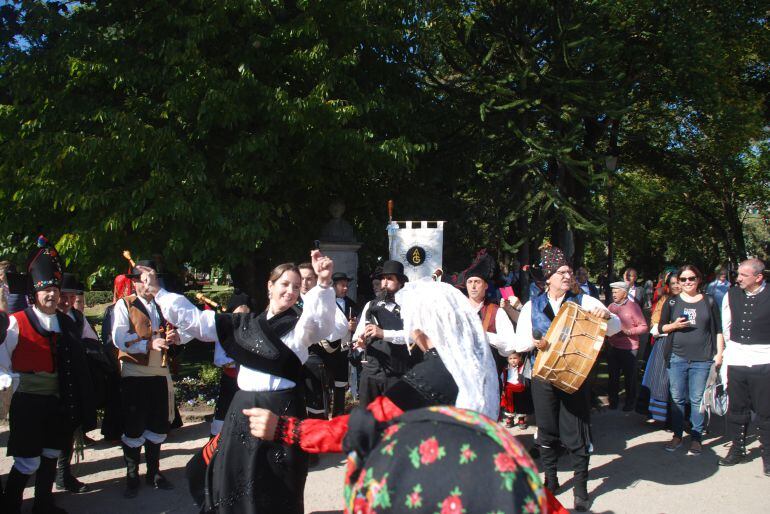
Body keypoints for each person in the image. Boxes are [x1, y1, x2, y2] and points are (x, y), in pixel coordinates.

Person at [142, 250, 341, 513]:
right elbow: (198, 322)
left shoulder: (300, 326)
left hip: (281, 412)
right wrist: (159, 292)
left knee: (277, 484)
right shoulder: (243, 325)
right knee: (232, 476)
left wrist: (324, 283)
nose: (290, 291)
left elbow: (325, 326)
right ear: (270, 286)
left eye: (296, 286)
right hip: (243, 412)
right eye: (284, 284)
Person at [241, 279, 500, 453]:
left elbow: (362, 426)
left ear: (421, 326)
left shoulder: (433, 374)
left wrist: (288, 429)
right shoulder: (469, 366)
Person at [513, 244, 620, 512]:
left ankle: (581, 488)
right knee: (547, 429)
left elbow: (616, 327)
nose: (566, 275)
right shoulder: (532, 305)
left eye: (568, 271)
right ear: (548, 277)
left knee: (577, 431)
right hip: (543, 376)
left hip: (575, 377)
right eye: (561, 271)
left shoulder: (584, 300)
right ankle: (551, 478)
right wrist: (533, 342)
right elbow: (520, 341)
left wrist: (606, 316)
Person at [0, 236, 96, 514]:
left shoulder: (66, 322)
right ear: (35, 293)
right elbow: (3, 358)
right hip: (28, 400)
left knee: (51, 454)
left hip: (59, 399)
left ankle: (44, 504)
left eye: (55, 289)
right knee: (27, 460)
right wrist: (7, 378)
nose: (52, 295)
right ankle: (10, 506)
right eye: (46, 291)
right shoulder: (17, 322)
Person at [112, 259, 187, 498]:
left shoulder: (163, 305)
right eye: (143, 280)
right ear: (134, 283)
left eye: (151, 279)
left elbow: (183, 329)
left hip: (160, 374)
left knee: (157, 424)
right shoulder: (125, 305)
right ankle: (131, 475)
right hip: (135, 374)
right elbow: (119, 339)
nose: (148, 284)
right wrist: (148, 344)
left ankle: (154, 472)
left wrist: (177, 338)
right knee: (134, 426)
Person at [657, 264, 724, 455]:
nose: (687, 282)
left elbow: (718, 330)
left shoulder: (709, 301)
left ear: (698, 280)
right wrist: (674, 325)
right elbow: (661, 328)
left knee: (697, 399)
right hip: (677, 357)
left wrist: (719, 354)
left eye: (691, 278)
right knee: (677, 398)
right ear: (678, 282)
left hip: (702, 359)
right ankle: (677, 435)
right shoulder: (671, 303)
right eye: (683, 279)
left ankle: (696, 437)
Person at [718, 258, 770, 474]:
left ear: (758, 277)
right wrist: (727, 353)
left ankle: (768, 454)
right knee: (736, 407)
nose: (737, 278)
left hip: (764, 358)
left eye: (743, 275)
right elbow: (726, 326)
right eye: (737, 274)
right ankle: (737, 449)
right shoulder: (732, 295)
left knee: (765, 410)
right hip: (737, 357)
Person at [352, 260, 416, 407]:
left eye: (390, 278)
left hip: (396, 372)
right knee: (367, 417)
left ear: (400, 282)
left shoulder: (409, 306)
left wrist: (383, 333)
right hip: (371, 372)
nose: (385, 282)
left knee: (394, 420)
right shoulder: (370, 305)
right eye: (383, 278)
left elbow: (412, 337)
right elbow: (357, 336)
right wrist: (360, 344)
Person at [209, 292, 252, 436]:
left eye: (246, 314)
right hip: (231, 381)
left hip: (248, 383)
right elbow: (220, 360)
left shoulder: (252, 330)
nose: (242, 318)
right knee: (223, 417)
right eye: (239, 314)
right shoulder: (225, 331)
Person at [641, 271, 681, 423]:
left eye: (679, 282)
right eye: (673, 283)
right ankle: (665, 417)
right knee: (662, 382)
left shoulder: (693, 300)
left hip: (686, 346)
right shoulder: (665, 300)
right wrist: (672, 327)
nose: (677, 285)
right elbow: (655, 326)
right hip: (664, 344)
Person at [607, 281, 648, 411]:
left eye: (616, 291)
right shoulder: (611, 307)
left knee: (629, 377)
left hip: (629, 348)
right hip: (613, 346)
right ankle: (613, 401)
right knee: (613, 376)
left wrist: (629, 332)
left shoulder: (633, 307)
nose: (613, 294)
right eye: (612, 292)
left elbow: (644, 327)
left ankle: (630, 402)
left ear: (624, 293)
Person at [323, 271, 358, 416]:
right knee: (325, 383)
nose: (345, 288)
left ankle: (338, 413)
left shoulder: (351, 304)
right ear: (334, 286)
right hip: (326, 349)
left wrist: (353, 328)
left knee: (341, 382)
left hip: (343, 350)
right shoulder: (325, 303)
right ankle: (324, 413)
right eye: (342, 285)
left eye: (346, 286)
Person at [500, 351, 532, 429]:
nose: (513, 360)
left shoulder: (522, 367)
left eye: (515, 358)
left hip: (520, 388)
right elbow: (502, 378)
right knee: (509, 405)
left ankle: (521, 419)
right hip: (509, 389)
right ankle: (510, 419)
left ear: (520, 358)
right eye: (510, 358)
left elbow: (527, 376)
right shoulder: (506, 368)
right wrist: (503, 388)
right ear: (507, 359)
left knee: (520, 405)